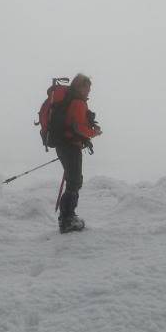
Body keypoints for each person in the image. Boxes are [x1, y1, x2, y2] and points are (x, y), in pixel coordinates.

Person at [56, 73, 102, 233]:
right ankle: (67, 220)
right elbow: (77, 127)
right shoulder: (78, 103)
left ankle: (67, 217)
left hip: (65, 145)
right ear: (80, 87)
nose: (89, 91)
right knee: (74, 182)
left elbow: (75, 125)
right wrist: (93, 133)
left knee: (73, 180)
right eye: (87, 87)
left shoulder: (73, 101)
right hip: (70, 146)